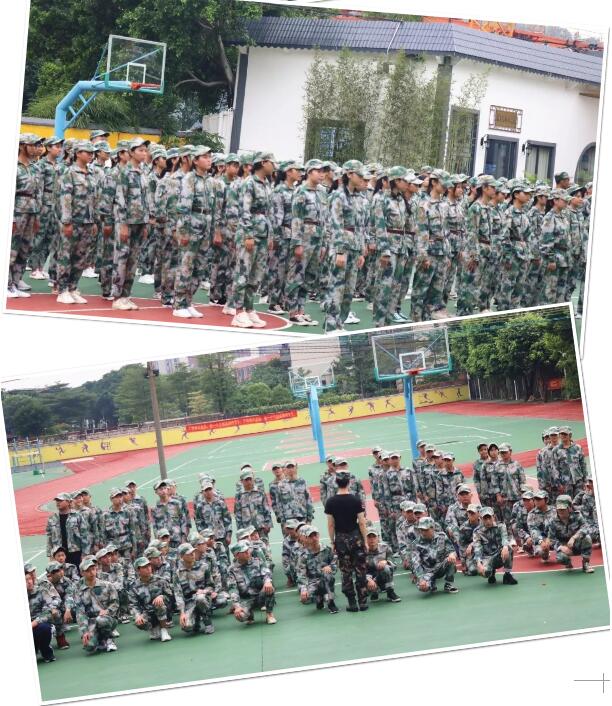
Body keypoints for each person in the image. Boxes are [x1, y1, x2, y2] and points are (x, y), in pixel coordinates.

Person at [228, 151, 276, 328]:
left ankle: (249, 309)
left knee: (256, 275)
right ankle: (238, 311)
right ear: (263, 163)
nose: (274, 166)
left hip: (262, 234)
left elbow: (269, 212)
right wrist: (248, 234)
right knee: (243, 273)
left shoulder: (267, 184)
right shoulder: (249, 183)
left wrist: (270, 235)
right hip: (250, 234)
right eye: (272, 162)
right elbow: (244, 210)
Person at [324, 160, 368, 332]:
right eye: (359, 175)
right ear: (349, 174)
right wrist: (340, 251)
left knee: (349, 291)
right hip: (341, 248)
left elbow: (361, 226)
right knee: (336, 288)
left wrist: (361, 250)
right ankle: (330, 325)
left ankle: (340, 323)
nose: (362, 178)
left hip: (355, 248)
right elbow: (336, 225)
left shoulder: (360, 198)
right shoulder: (338, 196)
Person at [111, 137, 154, 310]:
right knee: (121, 259)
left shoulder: (143, 173)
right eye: (140, 150)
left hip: (140, 222)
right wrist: (122, 224)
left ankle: (126, 295)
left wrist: (146, 222)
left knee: (133, 260)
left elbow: (147, 199)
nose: (144, 153)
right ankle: (117, 296)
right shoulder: (124, 172)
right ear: (131, 152)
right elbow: (120, 199)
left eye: (145, 150)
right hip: (126, 223)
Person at [324, 470, 368, 612]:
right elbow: (362, 522)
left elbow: (331, 525)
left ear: (336, 483)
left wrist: (332, 542)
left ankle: (352, 602)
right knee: (360, 569)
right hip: (356, 537)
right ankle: (363, 601)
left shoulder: (330, 502)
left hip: (341, 539)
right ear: (349, 482)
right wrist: (365, 540)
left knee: (346, 571)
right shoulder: (356, 500)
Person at [9, 133, 43, 299]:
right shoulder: (13, 166)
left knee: (24, 249)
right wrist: (11, 218)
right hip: (17, 211)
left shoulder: (34, 167)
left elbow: (38, 193)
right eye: (33, 144)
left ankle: (15, 282)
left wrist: (37, 216)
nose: (36, 148)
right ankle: (6, 284)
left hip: (31, 212)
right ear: (23, 146)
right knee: (11, 249)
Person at [73, 556, 120, 653]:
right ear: (82, 573)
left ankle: (109, 640)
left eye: (93, 569)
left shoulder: (107, 585)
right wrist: (85, 631)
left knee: (101, 620)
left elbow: (115, 603)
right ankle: (99, 640)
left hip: (108, 618)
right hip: (91, 622)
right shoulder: (79, 591)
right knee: (89, 646)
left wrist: (107, 611)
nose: (92, 572)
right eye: (88, 571)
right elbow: (80, 613)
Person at [227, 541, 277, 625]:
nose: (248, 553)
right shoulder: (231, 570)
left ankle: (269, 614)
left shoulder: (257, 561)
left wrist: (267, 581)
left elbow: (266, 573)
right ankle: (249, 615)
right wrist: (237, 606)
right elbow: (233, 589)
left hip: (260, 595)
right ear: (236, 555)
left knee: (269, 587)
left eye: (248, 550)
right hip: (246, 599)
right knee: (240, 616)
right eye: (244, 552)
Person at [173, 543, 216, 634]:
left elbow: (211, 586)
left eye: (193, 552)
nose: (192, 554)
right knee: (186, 627)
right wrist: (182, 613)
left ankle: (208, 623)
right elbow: (178, 594)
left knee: (200, 598)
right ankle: (196, 621)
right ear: (182, 556)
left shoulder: (203, 566)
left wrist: (204, 591)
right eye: (189, 553)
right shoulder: (177, 573)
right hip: (189, 603)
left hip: (204, 599)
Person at [128, 557, 173, 642]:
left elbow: (170, 596)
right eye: (144, 567)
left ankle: (164, 629)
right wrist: (137, 615)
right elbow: (133, 604)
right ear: (138, 570)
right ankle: (154, 627)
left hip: (164, 610)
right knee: (139, 622)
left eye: (149, 565)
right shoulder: (134, 586)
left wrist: (162, 597)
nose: (148, 568)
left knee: (159, 604)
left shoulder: (161, 580)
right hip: (147, 612)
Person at [410, 516, 458, 594]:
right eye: (421, 530)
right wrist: (421, 578)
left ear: (433, 528)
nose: (423, 532)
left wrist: (452, 554)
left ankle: (449, 584)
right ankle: (431, 584)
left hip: (440, 567)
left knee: (451, 559)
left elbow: (451, 550)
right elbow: (416, 563)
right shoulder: (416, 543)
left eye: (426, 530)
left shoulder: (442, 536)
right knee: (424, 588)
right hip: (427, 571)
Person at [296, 526, 338, 614]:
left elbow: (335, 563)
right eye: (311, 536)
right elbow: (301, 574)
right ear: (305, 538)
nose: (314, 538)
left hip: (325, 578)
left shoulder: (327, 549)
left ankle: (330, 602)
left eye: (316, 535)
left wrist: (330, 567)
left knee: (327, 575)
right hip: (312, 582)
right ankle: (319, 598)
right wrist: (303, 589)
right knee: (306, 599)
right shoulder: (302, 555)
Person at [547, 495, 594, 573]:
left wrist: (574, 537)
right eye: (559, 509)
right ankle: (568, 562)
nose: (560, 511)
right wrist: (560, 547)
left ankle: (586, 563)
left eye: (563, 509)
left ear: (569, 508)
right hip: (563, 545)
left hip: (576, 543)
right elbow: (551, 539)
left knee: (587, 538)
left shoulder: (577, 515)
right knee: (561, 558)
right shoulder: (552, 520)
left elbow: (586, 527)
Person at [472, 507, 518, 585]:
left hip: (499, 554)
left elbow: (504, 537)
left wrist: (505, 547)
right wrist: (479, 563)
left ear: (493, 517)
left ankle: (507, 574)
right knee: (485, 573)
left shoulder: (501, 525)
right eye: (485, 518)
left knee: (508, 548)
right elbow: (477, 548)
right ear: (481, 519)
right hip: (487, 557)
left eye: (489, 517)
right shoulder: (477, 532)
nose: (488, 521)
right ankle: (491, 573)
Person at [46, 492, 89, 565]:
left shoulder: (77, 516)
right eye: (57, 501)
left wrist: (85, 553)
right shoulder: (52, 518)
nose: (58, 503)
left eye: (61, 500)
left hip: (75, 552)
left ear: (68, 502)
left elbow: (84, 535)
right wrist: (50, 554)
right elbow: (49, 536)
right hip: (59, 553)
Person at [234, 467, 273, 542]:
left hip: (261, 528)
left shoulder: (260, 492)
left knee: (264, 547)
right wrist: (241, 531)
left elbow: (266, 509)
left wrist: (268, 524)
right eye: (246, 480)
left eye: (250, 479)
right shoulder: (239, 496)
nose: (249, 482)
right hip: (247, 530)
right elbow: (238, 515)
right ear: (242, 481)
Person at [364, 527, 401, 602]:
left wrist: (386, 561)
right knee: (362, 588)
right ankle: (374, 592)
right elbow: (359, 571)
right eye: (369, 537)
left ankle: (390, 592)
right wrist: (368, 580)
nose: (372, 539)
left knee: (386, 567)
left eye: (374, 537)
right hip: (368, 577)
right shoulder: (361, 551)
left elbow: (394, 565)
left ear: (378, 538)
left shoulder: (385, 547)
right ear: (365, 539)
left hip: (381, 575)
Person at [27, 570, 56, 663]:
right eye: (25, 580)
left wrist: (34, 623)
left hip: (38, 624)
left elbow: (48, 611)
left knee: (45, 628)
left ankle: (46, 651)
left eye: (29, 579)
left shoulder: (41, 591)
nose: (29, 582)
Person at [151, 480, 189, 548]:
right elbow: (155, 527)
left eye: (164, 488)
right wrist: (158, 541)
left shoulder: (177, 504)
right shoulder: (155, 509)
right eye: (160, 489)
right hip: (164, 542)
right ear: (156, 492)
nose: (163, 491)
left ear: (167, 489)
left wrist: (184, 538)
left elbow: (183, 521)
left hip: (178, 540)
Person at [194, 480, 232, 546]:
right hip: (208, 540)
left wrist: (228, 535)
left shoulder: (220, 503)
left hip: (222, 537)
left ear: (213, 490)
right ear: (203, 492)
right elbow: (199, 524)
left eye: (210, 489)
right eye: (206, 490)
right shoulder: (200, 507)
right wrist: (204, 538)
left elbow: (227, 520)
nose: (208, 492)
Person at [527, 489, 555, 562]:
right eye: (535, 499)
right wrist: (541, 541)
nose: (536, 501)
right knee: (540, 551)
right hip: (541, 540)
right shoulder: (531, 514)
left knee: (563, 554)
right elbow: (533, 530)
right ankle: (545, 554)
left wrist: (549, 539)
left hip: (554, 538)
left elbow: (558, 526)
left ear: (546, 500)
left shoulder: (554, 511)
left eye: (539, 499)